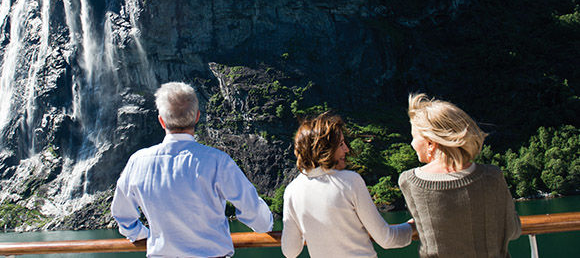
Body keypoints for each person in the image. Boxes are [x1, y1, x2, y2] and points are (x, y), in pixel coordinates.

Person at [110, 82, 273, 258]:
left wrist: (144, 235)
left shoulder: (137, 162)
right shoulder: (217, 161)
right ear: (197, 117)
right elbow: (256, 215)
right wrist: (267, 224)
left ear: (161, 120)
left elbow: (122, 216)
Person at [398, 93, 521, 257]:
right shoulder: (492, 176)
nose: (412, 143)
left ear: (431, 143)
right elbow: (513, 230)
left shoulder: (409, 182)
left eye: (414, 136)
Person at [281, 112, 414, 258]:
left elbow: (290, 251)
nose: (347, 149)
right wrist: (415, 225)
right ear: (324, 149)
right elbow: (386, 239)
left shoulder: (292, 190)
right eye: (340, 144)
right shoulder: (350, 181)